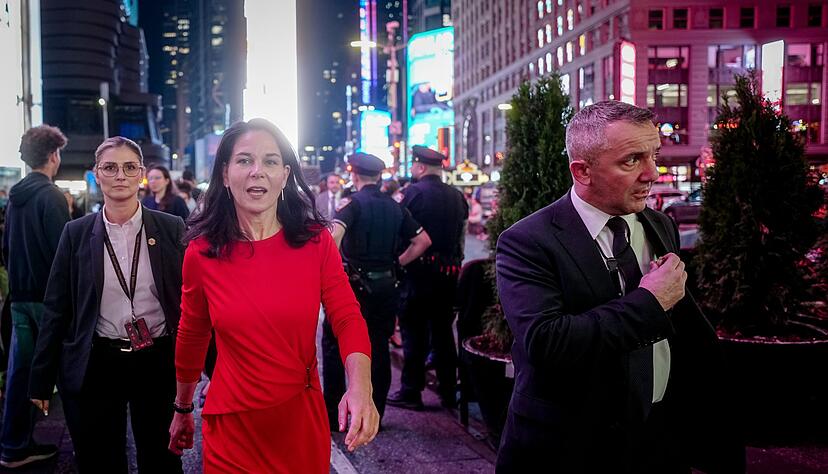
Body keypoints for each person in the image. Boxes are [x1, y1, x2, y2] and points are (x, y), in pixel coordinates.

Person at [494, 101, 744, 473]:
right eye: (632, 161)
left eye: (654, 155)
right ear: (582, 171)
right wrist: (650, 301)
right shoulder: (527, 241)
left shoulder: (660, 224)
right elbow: (548, 342)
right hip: (569, 447)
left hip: (658, 439)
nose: (653, 173)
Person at [168, 119, 378, 473]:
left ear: (284, 174)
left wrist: (361, 387)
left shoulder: (316, 241)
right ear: (224, 173)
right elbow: (192, 333)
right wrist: (183, 408)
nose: (257, 172)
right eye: (244, 160)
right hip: (230, 427)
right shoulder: (202, 252)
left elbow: (346, 316)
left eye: (269, 161)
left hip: (299, 422)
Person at [28, 136, 185, 473]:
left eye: (130, 167)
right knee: (100, 460)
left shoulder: (171, 228)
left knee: (161, 458)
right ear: (96, 174)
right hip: (98, 360)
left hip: (156, 360)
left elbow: (192, 301)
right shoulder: (75, 233)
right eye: (110, 168)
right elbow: (57, 308)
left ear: (141, 174)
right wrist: (41, 378)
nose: (120, 175)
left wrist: (216, 370)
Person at [326, 152, 431, 428]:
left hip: (355, 289)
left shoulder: (352, 204)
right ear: (379, 176)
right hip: (387, 286)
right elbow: (422, 241)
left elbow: (333, 237)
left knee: (336, 344)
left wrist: (332, 273)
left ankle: (332, 414)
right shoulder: (395, 206)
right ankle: (376, 414)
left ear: (355, 175)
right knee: (379, 348)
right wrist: (397, 263)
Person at [0, 125, 69, 469]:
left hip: (19, 297)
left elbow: (5, 248)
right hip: (47, 299)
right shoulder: (51, 196)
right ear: (53, 155)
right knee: (68, 371)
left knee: (21, 373)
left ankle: (14, 446)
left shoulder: (15, 198)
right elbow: (62, 253)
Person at [387, 145, 468, 410]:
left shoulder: (411, 194)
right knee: (444, 333)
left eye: (413, 166)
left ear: (420, 167)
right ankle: (448, 391)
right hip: (448, 276)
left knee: (414, 334)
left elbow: (399, 232)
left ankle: (412, 391)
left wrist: (397, 262)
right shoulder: (457, 196)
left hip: (417, 275)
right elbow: (461, 237)